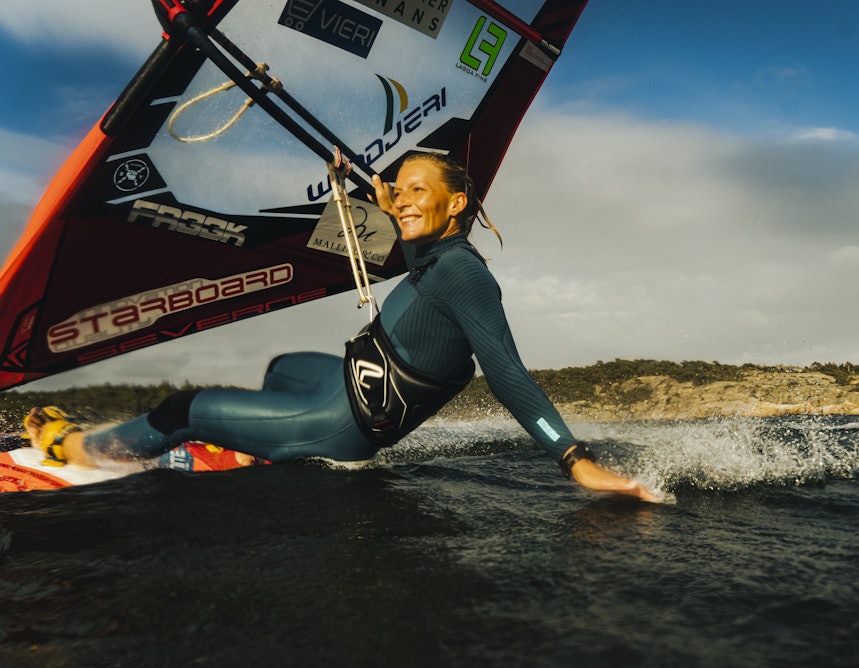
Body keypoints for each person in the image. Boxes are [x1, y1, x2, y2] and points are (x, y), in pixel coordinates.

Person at [23, 153, 658, 502]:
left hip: (344, 425)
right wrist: (389, 204)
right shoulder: (434, 255)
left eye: (418, 190)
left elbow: (510, 376)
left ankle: (81, 448)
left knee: (180, 407)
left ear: (456, 204)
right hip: (344, 380)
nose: (403, 199)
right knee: (280, 367)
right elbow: (418, 253)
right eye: (399, 190)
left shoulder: (465, 276)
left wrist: (576, 461)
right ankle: (258, 436)